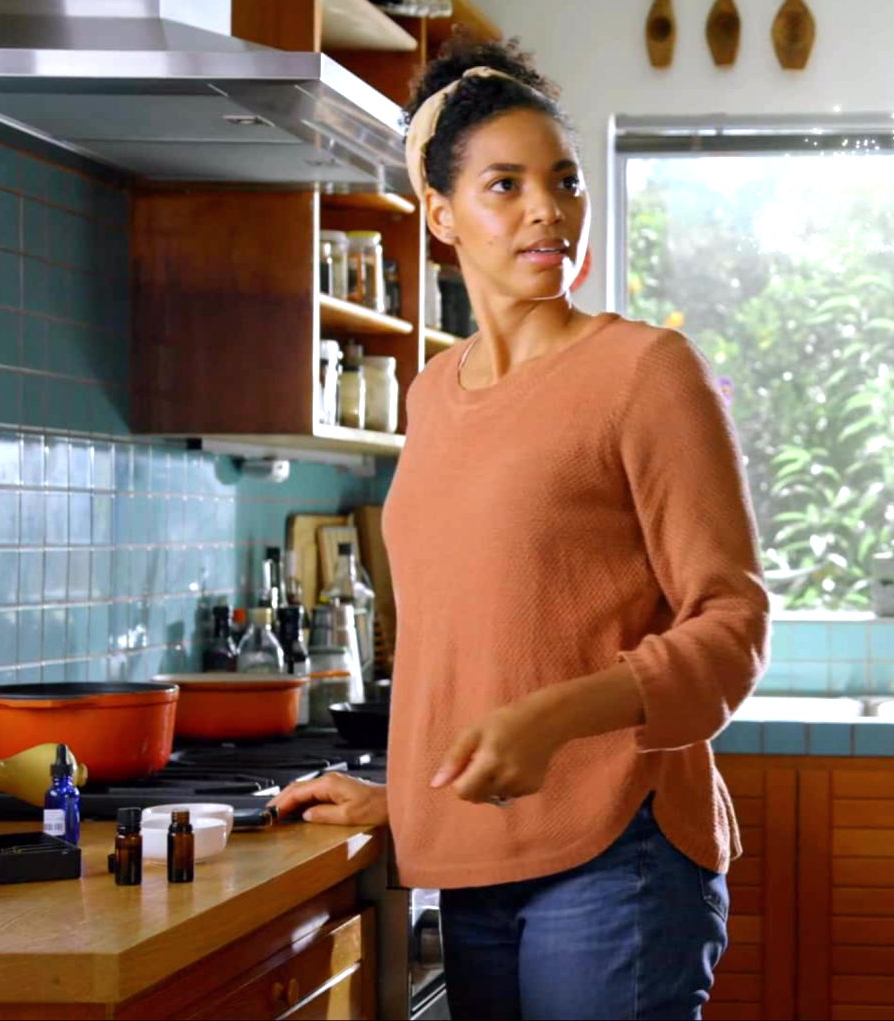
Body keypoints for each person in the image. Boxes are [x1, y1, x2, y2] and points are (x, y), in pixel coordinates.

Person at [269, 34, 770, 1021]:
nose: (549, 208)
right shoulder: (432, 395)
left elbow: (732, 627)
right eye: (506, 184)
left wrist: (556, 716)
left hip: (616, 852)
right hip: (471, 856)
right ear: (442, 215)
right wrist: (406, 798)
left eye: (565, 180)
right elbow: (467, 640)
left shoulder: (645, 372)